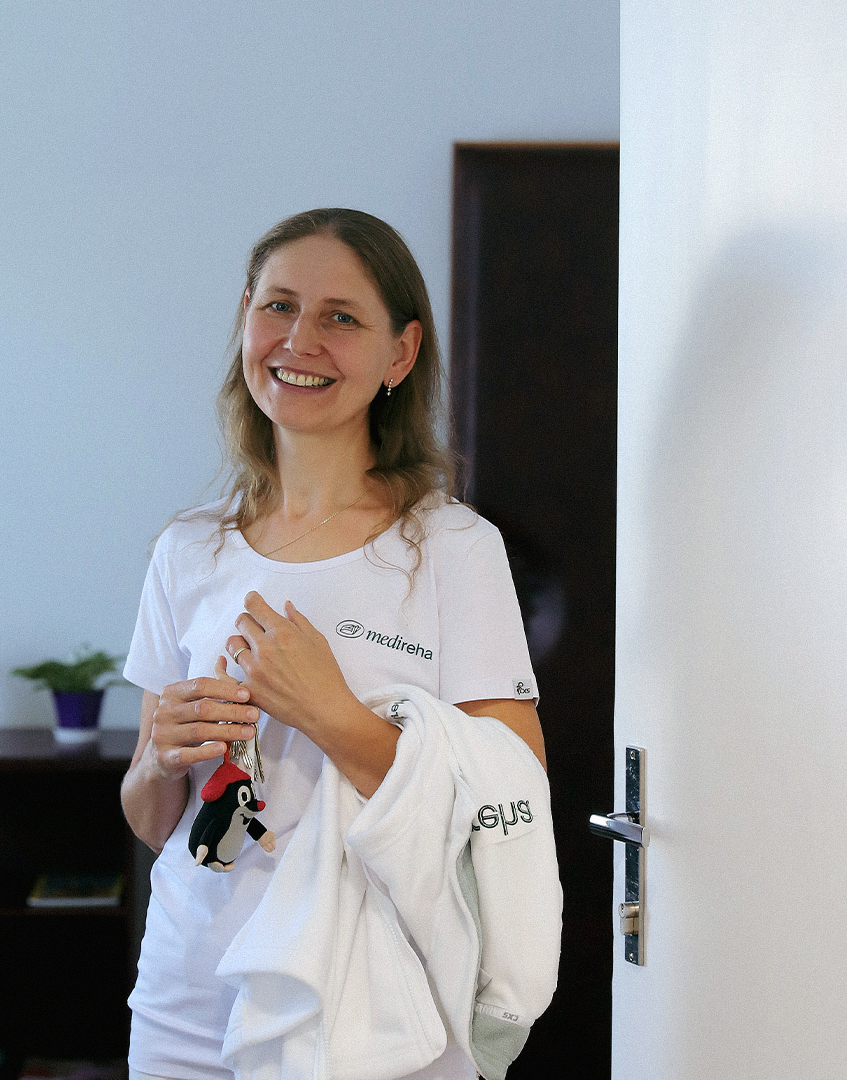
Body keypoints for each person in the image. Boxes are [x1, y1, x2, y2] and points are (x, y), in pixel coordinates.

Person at [120, 208, 546, 1080]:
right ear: (246, 319)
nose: (299, 340)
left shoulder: (452, 549)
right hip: (186, 1004)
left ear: (400, 354)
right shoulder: (187, 550)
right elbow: (153, 821)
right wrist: (160, 761)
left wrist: (328, 711)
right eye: (278, 305)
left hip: (379, 1011)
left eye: (340, 317)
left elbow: (508, 799)